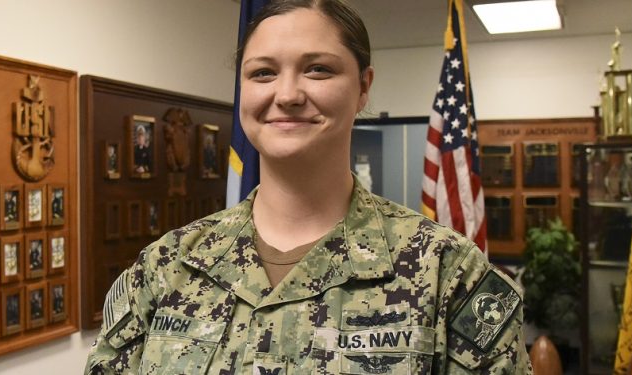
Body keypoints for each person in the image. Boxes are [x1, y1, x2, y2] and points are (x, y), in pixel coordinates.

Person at [85, 1, 531, 374]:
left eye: (317, 69)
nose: (288, 93)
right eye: (262, 73)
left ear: (363, 88)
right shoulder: (167, 267)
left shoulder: (446, 272)